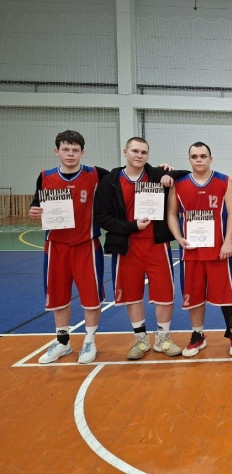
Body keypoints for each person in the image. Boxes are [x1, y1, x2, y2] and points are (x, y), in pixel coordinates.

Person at [94, 137, 184, 360]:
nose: (139, 155)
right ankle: (141, 339)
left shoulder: (156, 174)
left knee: (165, 295)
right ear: (125, 152)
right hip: (127, 246)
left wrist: (171, 174)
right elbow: (101, 217)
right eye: (135, 151)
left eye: (144, 152)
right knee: (132, 295)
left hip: (156, 245)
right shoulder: (110, 181)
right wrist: (131, 226)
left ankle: (163, 338)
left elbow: (187, 174)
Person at [29, 130, 106, 364]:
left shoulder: (96, 174)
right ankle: (63, 342)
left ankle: (90, 341)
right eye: (65, 149)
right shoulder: (45, 176)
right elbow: (36, 204)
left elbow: (128, 175)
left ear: (82, 152)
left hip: (86, 245)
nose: (70, 154)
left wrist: (162, 171)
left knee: (91, 297)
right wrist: (34, 211)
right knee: (58, 296)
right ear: (57, 151)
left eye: (75, 150)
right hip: (56, 247)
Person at [167, 142, 232, 357]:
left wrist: (228, 242)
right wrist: (177, 237)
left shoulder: (224, 181)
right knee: (194, 296)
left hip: (218, 251)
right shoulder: (179, 184)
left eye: (203, 156)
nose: (199, 160)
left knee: (227, 294)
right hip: (191, 251)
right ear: (189, 160)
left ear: (211, 158)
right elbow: (171, 214)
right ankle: (197, 335)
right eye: (194, 156)